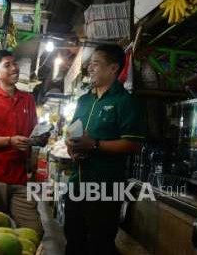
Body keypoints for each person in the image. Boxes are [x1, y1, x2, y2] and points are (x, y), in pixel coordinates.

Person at [64, 44, 144, 255]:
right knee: (72, 239)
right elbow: (72, 132)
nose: (90, 68)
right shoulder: (84, 100)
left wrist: (96, 145)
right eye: (90, 64)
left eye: (96, 63)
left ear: (113, 68)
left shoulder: (125, 102)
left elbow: (133, 144)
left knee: (99, 244)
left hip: (106, 187)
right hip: (76, 183)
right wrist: (71, 147)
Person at [0, 50, 45, 235]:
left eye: (15, 63)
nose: (14, 68)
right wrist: (9, 141)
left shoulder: (27, 99)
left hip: (21, 178)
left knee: (34, 231)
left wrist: (39, 138)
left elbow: (33, 132)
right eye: (7, 65)